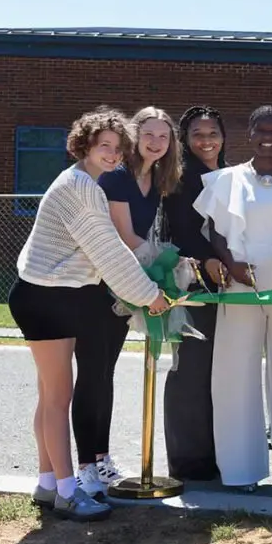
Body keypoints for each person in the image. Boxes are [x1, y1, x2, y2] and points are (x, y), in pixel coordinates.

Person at [9, 107, 168, 521]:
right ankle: (67, 492)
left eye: (118, 148)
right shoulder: (82, 187)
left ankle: (47, 484)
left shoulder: (82, 183)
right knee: (58, 398)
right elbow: (109, 251)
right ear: (84, 145)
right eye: (104, 146)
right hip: (46, 299)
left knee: (49, 396)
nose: (113, 155)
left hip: (45, 296)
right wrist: (149, 295)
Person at [195, 105, 272, 490]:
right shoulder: (225, 179)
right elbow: (214, 231)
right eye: (260, 130)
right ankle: (240, 469)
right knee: (235, 372)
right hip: (239, 283)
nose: (267, 138)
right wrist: (231, 266)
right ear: (248, 133)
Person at [74, 106, 182, 499]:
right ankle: (85, 466)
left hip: (123, 286)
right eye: (148, 134)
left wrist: (166, 258)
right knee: (92, 375)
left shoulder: (155, 179)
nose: (156, 142)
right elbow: (124, 237)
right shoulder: (117, 177)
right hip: (96, 287)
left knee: (106, 373)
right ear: (134, 137)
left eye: (164, 137)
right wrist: (168, 259)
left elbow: (142, 242)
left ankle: (101, 459)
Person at [163, 105, 227, 481]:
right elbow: (184, 231)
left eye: (213, 132)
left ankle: (215, 450)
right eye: (197, 134)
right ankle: (188, 459)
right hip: (193, 282)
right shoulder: (181, 178)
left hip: (228, 283)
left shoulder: (227, 174)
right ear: (185, 140)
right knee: (190, 369)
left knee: (216, 372)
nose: (206, 140)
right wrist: (207, 261)